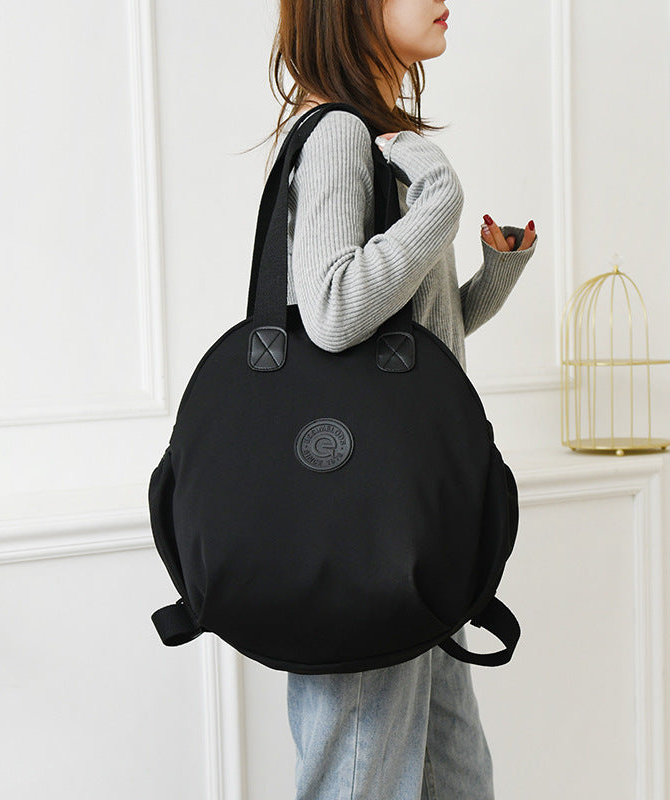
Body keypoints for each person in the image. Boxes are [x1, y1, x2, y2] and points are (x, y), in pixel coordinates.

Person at [256, 2, 539, 798]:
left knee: (456, 777)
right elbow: (334, 311)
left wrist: (493, 273)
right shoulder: (342, 135)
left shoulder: (376, 140)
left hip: (410, 519)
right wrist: (440, 198)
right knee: (357, 780)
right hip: (368, 527)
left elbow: (416, 342)